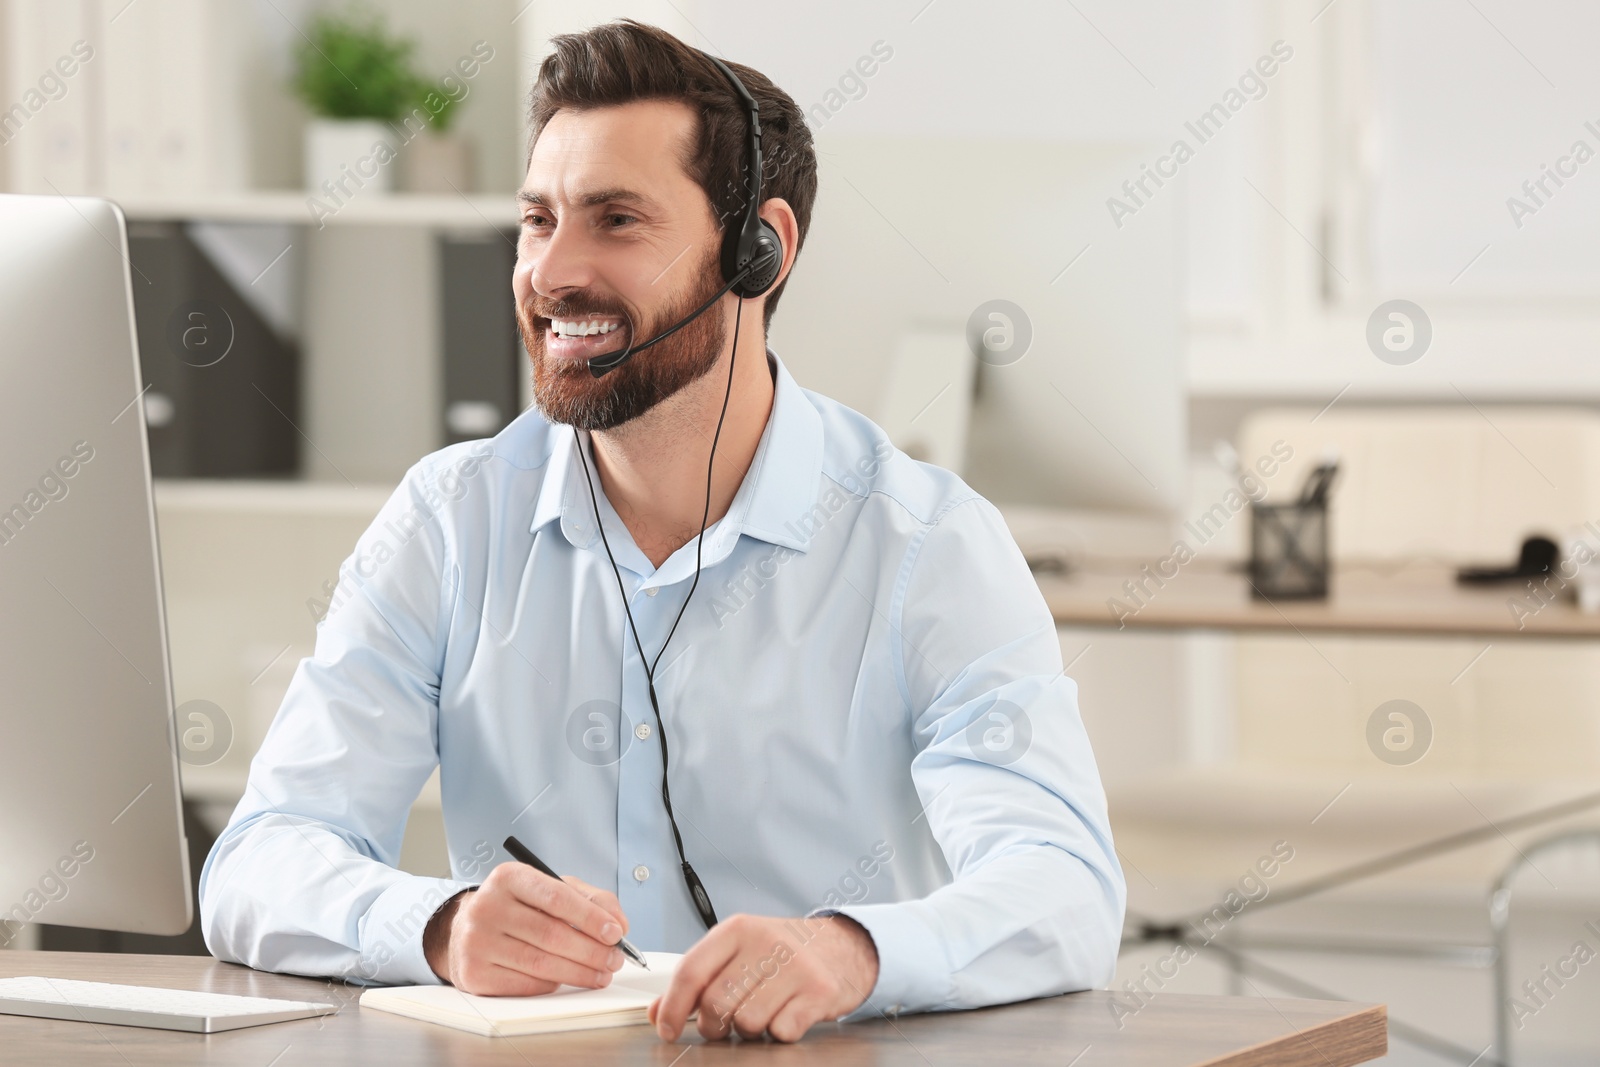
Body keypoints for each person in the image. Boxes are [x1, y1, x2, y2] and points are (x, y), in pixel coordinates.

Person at [199, 18, 1123, 1044]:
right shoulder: (451, 519)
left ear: (757, 251)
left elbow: (1064, 886)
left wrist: (849, 950)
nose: (553, 273)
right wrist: (437, 923)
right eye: (538, 219)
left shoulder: (925, 544)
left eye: (615, 220)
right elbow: (258, 859)